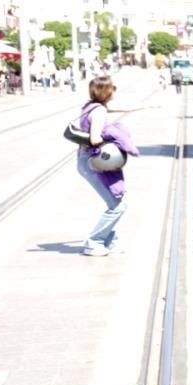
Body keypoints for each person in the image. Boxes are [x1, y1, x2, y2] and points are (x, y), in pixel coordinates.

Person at [73, 76, 144, 256]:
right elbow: (96, 138)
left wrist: (135, 108)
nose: (114, 90)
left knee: (116, 202)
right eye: (112, 88)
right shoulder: (99, 112)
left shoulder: (91, 106)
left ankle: (109, 241)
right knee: (117, 206)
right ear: (106, 91)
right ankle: (94, 242)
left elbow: (109, 109)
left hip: (85, 160)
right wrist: (115, 138)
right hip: (93, 163)